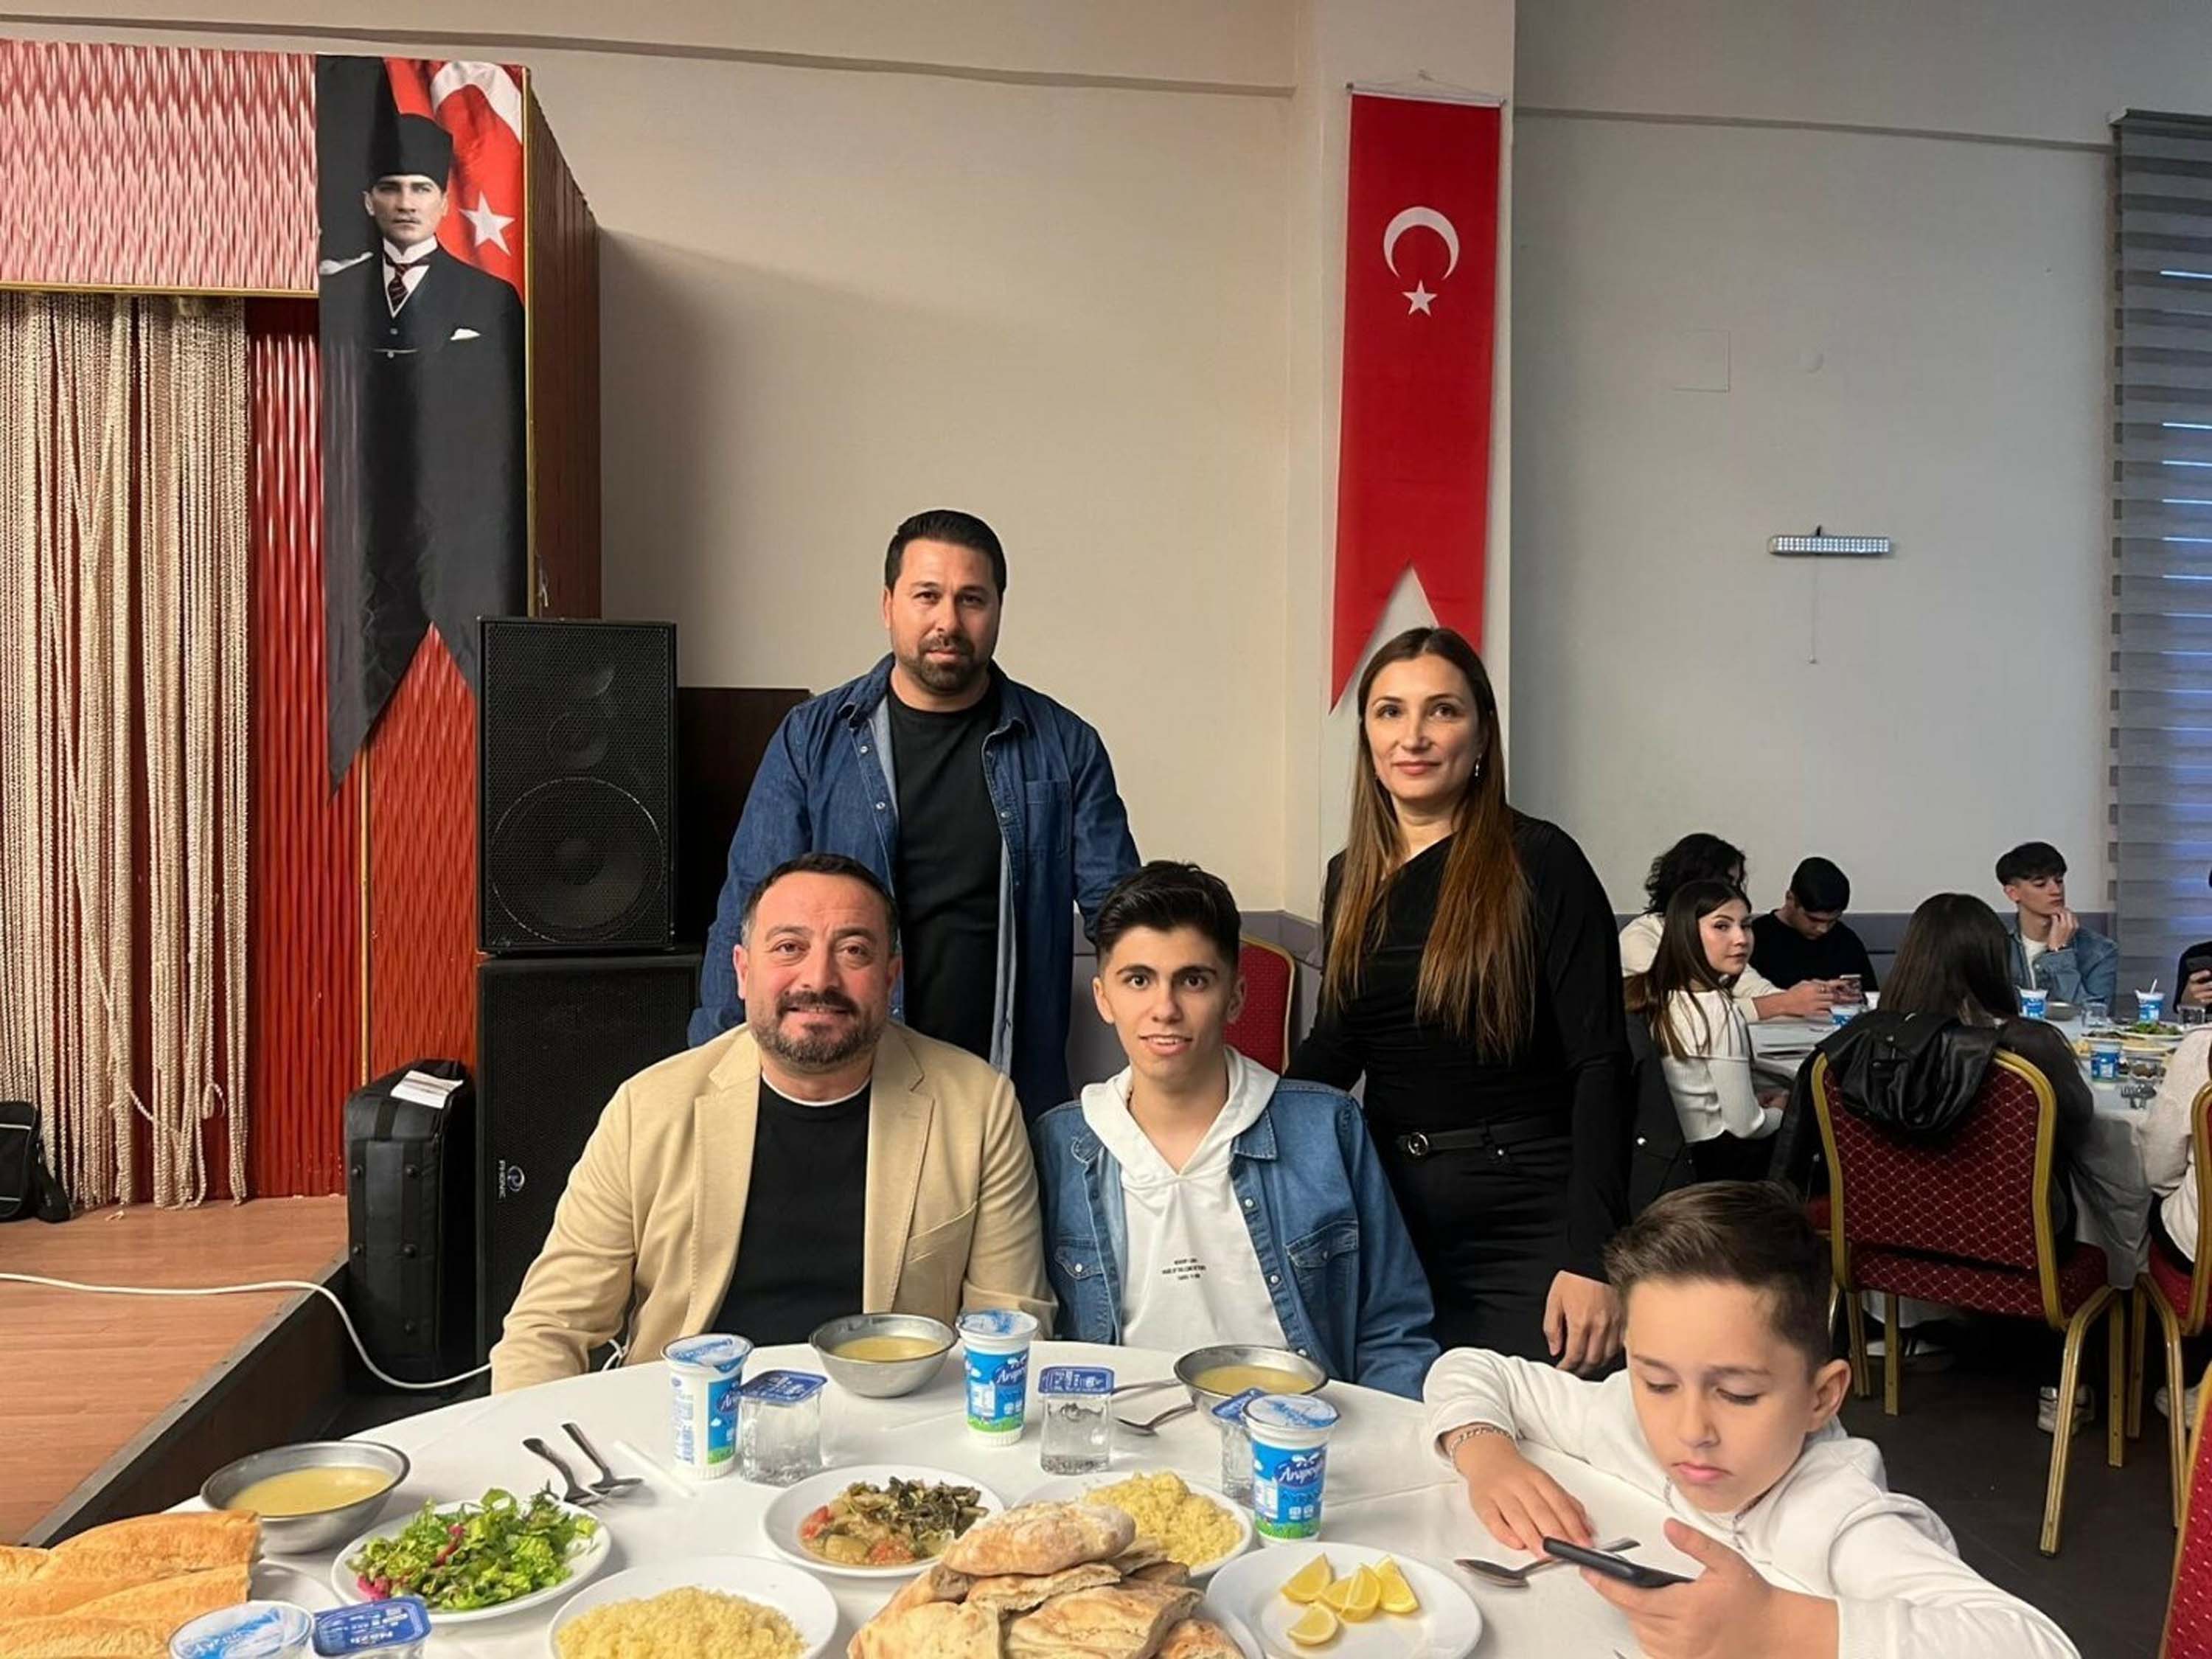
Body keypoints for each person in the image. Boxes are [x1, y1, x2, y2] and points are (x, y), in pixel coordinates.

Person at [1423, 1183, 2080, 1659]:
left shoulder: (1839, 1516)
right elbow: (1473, 1368)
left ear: (1822, 1397)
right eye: (1658, 1382)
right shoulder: (1622, 1415)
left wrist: (1781, 1629)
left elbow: (2036, 1645)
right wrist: (1486, 1454)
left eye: (1737, 1394)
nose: (1690, 1429)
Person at [493, 854, 1051, 1391]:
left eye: (853, 951)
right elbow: (548, 1328)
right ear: (742, 971)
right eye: (789, 948)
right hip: (688, 1425)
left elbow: (1011, 1325)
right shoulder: (649, 1108)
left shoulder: (977, 1106)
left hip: (898, 1424)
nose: (819, 978)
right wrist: (545, 1449)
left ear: (890, 978)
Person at [690, 510, 1140, 1117]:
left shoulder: (1065, 747)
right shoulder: (812, 741)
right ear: (888, 605)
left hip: (1006, 1094)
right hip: (850, 1090)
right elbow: (748, 916)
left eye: (971, 599)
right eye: (927, 596)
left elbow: (1123, 921)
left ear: (998, 609)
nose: (947, 621)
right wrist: (711, 1087)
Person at [1288, 627, 1630, 1370]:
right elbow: (1335, 1048)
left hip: (1529, 1220)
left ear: (1480, 733)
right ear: (1367, 735)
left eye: (1441, 710)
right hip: (1389, 1212)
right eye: (1389, 712)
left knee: (1535, 1429)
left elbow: (1602, 1064)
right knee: (1404, 1421)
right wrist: (1226, 1118)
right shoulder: (1350, 875)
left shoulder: (1541, 860)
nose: (1412, 736)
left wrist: (1593, 1255)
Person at [1033, 861, 1439, 1398]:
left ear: (1237, 996)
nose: (1165, 1009)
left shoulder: (1327, 1129)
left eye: (1193, 980)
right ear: (1104, 997)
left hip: (1298, 1433)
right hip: (1122, 1434)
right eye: (1138, 980)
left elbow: (1394, 1330)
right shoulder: (1061, 1144)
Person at [319, 110, 526, 774]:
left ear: (443, 202)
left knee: (497, 720)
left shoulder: (489, 299)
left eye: (420, 188)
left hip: (463, 539)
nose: (405, 203)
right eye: (391, 187)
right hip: (355, 531)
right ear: (367, 200)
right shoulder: (335, 296)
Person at [1625, 881, 1781, 1183]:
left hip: (1659, 1156)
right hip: (1709, 1164)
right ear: (1687, 933)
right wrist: (1781, 1111)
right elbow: (1745, 1126)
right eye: (1722, 926)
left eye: (1746, 925)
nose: (1741, 939)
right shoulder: (1716, 1009)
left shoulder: (1649, 992)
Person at [1619, 835, 1832, 1021]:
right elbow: (1682, 1012)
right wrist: (1782, 1003)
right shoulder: (1640, 937)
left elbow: (1753, 987)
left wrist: (1814, 997)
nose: (1734, 893)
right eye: (1727, 883)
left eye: (1736, 884)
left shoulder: (1724, 938)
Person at [1996, 841, 2118, 1009]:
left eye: (2059, 881)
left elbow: (2094, 1016)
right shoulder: (1995, 944)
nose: (2056, 891)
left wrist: (2059, 954)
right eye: (2040, 884)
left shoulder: (2100, 951)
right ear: (2013, 893)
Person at [1750, 857, 1879, 993]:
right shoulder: (1755, 938)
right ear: (1790, 899)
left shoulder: (1846, 941)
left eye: (1832, 921)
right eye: (1814, 920)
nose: (1823, 929)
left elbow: (1872, 997)